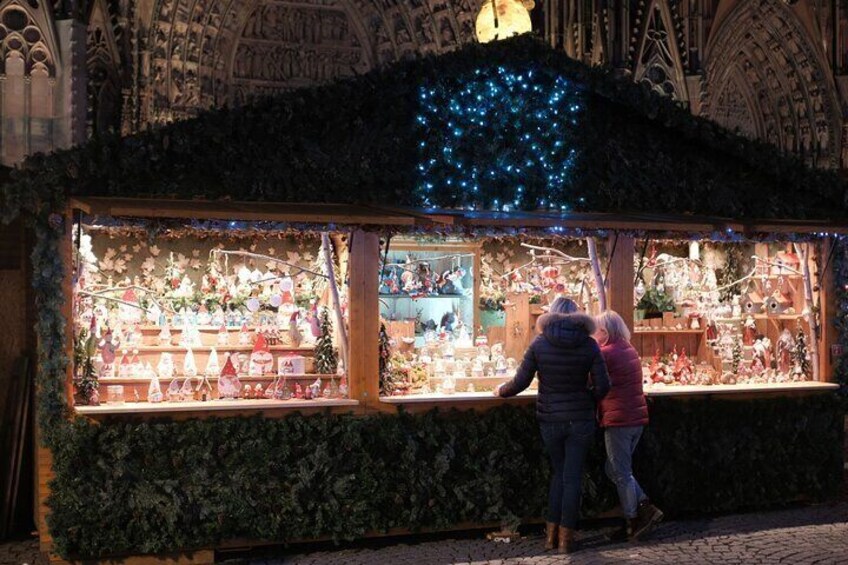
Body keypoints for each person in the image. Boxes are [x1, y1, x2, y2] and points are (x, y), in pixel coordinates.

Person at [495, 297, 610, 553]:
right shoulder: (590, 345)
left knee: (558, 475)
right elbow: (604, 385)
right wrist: (586, 400)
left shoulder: (540, 343)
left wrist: (501, 391)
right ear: (577, 316)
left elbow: (520, 382)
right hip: (580, 420)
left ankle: (550, 538)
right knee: (572, 478)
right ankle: (565, 542)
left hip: (550, 421)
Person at [594, 310, 664, 541]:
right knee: (614, 469)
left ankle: (632, 520)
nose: (594, 333)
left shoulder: (606, 353)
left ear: (606, 331)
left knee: (621, 472)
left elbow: (592, 381)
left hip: (619, 419)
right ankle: (645, 506)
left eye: (597, 329)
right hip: (635, 419)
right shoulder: (628, 349)